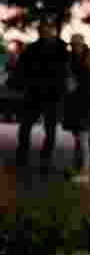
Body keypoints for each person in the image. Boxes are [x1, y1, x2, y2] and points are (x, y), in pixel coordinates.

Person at [11, 22, 69, 172]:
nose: (45, 33)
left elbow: (65, 71)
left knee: (48, 129)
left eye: (47, 31)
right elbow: (21, 68)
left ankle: (45, 158)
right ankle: (23, 155)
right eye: (42, 31)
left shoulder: (61, 49)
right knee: (26, 126)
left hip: (51, 94)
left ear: (52, 32)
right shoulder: (32, 49)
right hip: (35, 92)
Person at [62, 34, 90, 183]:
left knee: (84, 141)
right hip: (77, 105)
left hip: (87, 106)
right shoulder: (73, 60)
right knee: (79, 140)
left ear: (82, 44)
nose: (75, 48)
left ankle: (85, 172)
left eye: (77, 45)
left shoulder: (89, 60)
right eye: (73, 45)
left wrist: (76, 86)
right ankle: (80, 169)